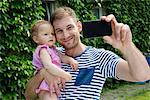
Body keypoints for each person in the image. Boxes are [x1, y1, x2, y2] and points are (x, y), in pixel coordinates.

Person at [25, 7, 150, 99]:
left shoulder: (100, 57)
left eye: (70, 27)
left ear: (79, 27)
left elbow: (143, 76)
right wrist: (43, 73)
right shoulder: (52, 56)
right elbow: (28, 95)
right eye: (59, 31)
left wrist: (126, 46)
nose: (66, 35)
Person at [27, 20, 78, 100]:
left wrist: (70, 60)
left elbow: (62, 57)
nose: (50, 36)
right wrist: (64, 74)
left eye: (52, 34)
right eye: (46, 34)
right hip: (45, 84)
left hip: (54, 83)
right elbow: (48, 65)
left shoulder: (53, 49)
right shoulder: (43, 50)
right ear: (36, 39)